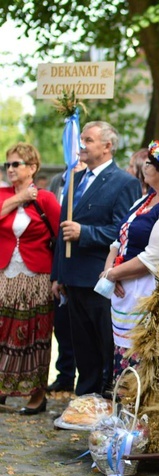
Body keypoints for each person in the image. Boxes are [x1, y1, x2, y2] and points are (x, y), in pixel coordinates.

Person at [51, 121, 142, 396]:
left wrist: (85, 232)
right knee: (82, 344)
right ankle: (85, 395)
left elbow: (122, 229)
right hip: (73, 275)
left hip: (100, 277)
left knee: (104, 342)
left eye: (88, 140)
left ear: (107, 146)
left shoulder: (123, 183)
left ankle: (106, 393)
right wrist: (58, 274)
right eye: (81, 140)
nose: (81, 146)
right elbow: (61, 229)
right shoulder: (75, 179)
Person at [102, 141, 159, 379]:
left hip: (147, 292)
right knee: (123, 353)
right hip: (125, 289)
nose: (145, 165)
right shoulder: (144, 201)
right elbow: (118, 239)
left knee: (144, 355)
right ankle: (124, 406)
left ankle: (141, 410)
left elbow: (155, 257)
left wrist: (115, 274)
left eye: (151, 163)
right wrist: (110, 269)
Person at [0, 143, 60, 413]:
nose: (10, 169)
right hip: (5, 276)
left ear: (33, 168)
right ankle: (3, 387)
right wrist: (20, 197)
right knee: (3, 333)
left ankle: (37, 396)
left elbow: (60, 237)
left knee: (35, 335)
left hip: (37, 277)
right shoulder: (3, 195)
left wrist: (59, 277)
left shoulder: (46, 199)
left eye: (16, 164)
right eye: (7, 165)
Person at [47, 161, 87, 394]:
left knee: (82, 328)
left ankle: (85, 379)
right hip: (61, 258)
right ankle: (64, 373)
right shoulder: (58, 181)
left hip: (84, 262)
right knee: (62, 325)